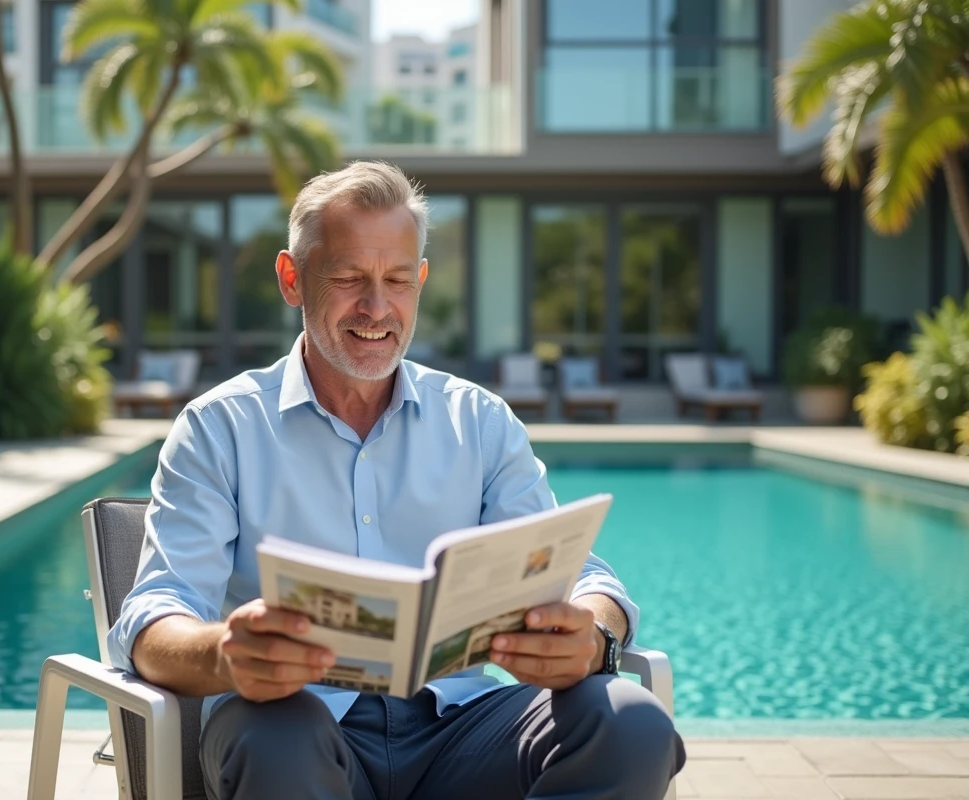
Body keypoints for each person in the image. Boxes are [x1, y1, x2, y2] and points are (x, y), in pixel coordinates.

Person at [108, 161, 686, 800]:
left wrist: (594, 632)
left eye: (398, 280)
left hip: (462, 729)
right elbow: (153, 615)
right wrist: (225, 653)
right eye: (350, 278)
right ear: (292, 279)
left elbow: (584, 578)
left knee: (632, 722)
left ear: (421, 283)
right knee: (276, 736)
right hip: (295, 724)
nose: (377, 308)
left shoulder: (481, 421)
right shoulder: (220, 427)